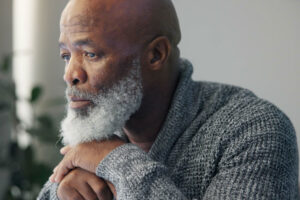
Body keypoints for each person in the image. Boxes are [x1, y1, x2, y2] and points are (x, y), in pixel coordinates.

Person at [38, 0, 299, 199]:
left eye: (91, 54)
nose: (70, 74)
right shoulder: (102, 124)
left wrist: (117, 161)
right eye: (66, 56)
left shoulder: (253, 129)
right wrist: (59, 193)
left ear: (155, 54)